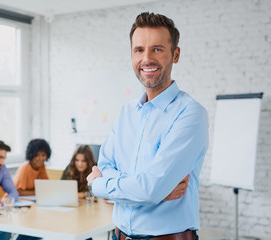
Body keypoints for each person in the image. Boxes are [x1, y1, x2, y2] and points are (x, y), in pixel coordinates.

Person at [87, 12, 209, 240]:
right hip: (118, 236)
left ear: (176, 54)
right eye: (139, 50)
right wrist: (148, 191)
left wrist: (98, 185)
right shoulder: (125, 113)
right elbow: (108, 169)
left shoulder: (191, 114)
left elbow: (149, 188)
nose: (146, 59)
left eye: (157, 49)